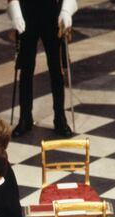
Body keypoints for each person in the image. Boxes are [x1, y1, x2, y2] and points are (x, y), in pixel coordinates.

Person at [7, 0, 76, 138]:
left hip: (52, 11)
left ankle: (60, 118)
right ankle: (25, 118)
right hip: (27, 11)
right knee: (26, 68)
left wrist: (66, 10)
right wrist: (16, 13)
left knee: (56, 69)